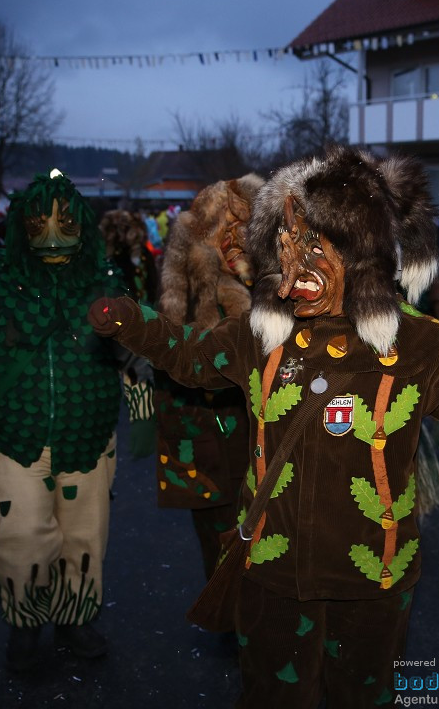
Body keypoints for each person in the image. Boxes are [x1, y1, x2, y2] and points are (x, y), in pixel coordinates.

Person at [90, 145, 439, 708]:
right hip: (273, 572)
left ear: (363, 250)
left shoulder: (417, 343)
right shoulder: (262, 331)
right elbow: (192, 357)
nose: (294, 277)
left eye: (314, 250)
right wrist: (132, 322)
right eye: (286, 250)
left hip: (372, 581)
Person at [0, 170, 154, 672]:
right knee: (21, 536)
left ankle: (74, 617)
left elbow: (134, 347)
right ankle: (26, 624)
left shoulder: (107, 279)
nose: (53, 237)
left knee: (85, 536)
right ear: (22, 227)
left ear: (81, 225)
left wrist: (143, 412)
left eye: (65, 224)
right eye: (40, 225)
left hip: (90, 439)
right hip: (7, 438)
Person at [153, 174, 262, 579]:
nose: (237, 238)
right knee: (219, 527)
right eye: (228, 229)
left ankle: (257, 617)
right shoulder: (191, 276)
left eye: (245, 227)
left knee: (268, 524)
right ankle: (228, 611)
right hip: (208, 422)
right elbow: (170, 347)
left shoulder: (277, 276)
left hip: (265, 422)